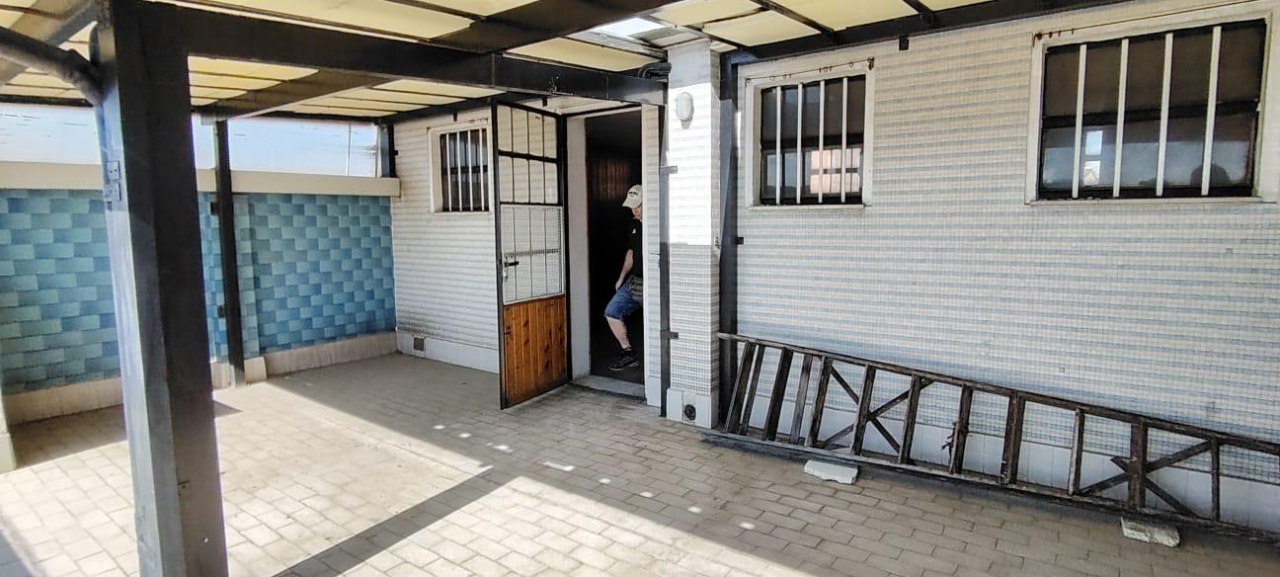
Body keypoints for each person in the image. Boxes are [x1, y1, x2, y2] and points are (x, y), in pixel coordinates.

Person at [605, 185, 643, 371]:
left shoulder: (659, 223)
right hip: (635, 279)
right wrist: (621, 278)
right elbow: (631, 253)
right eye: (632, 206)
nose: (634, 210)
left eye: (638, 205)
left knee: (657, 321)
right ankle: (628, 353)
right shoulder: (635, 224)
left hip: (654, 281)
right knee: (612, 311)